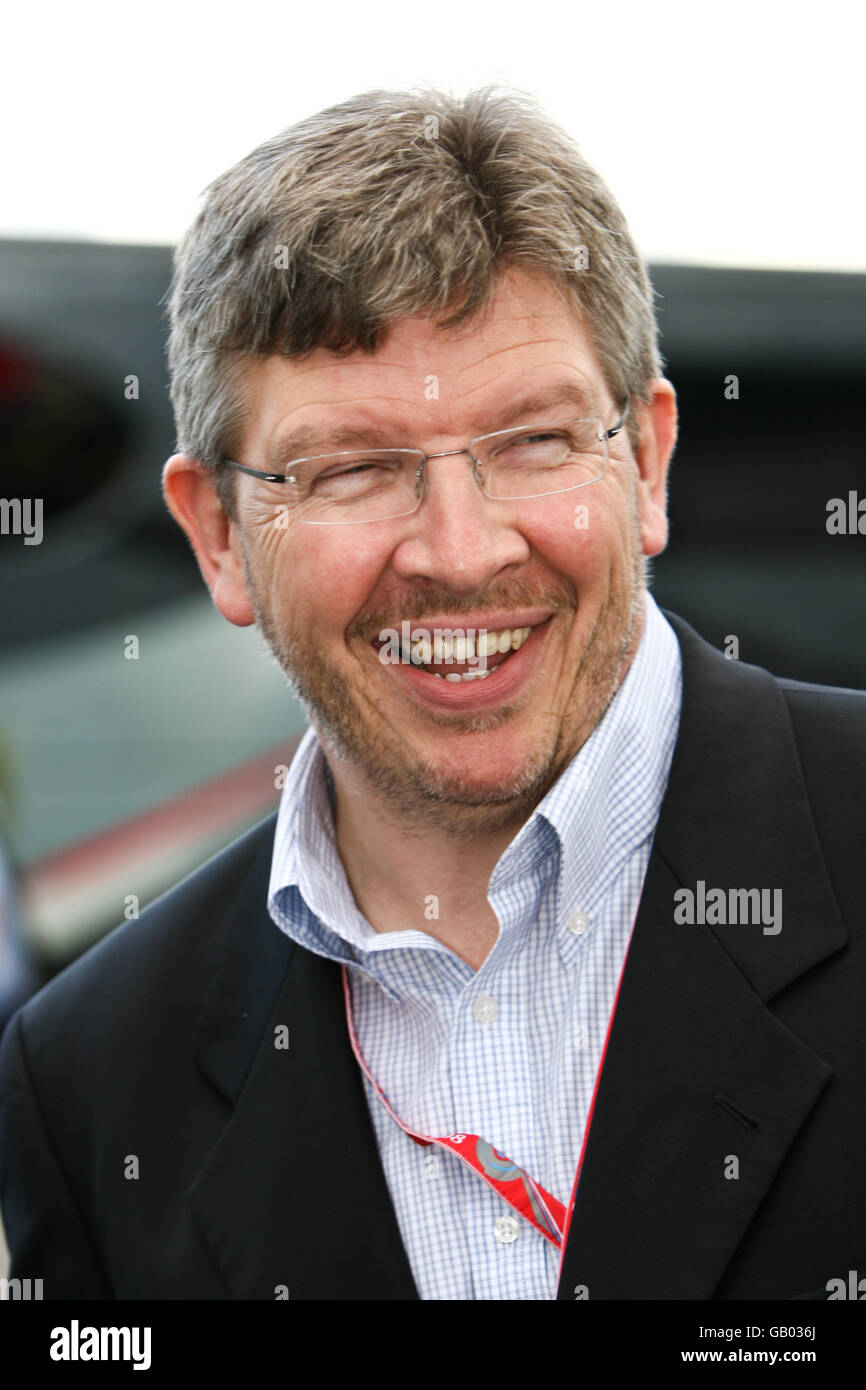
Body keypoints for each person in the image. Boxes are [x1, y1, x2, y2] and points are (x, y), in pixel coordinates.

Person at [1, 84, 864, 1302]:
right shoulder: (87, 1077)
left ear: (649, 461)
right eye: (353, 468)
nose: (460, 552)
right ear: (219, 537)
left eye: (532, 440)